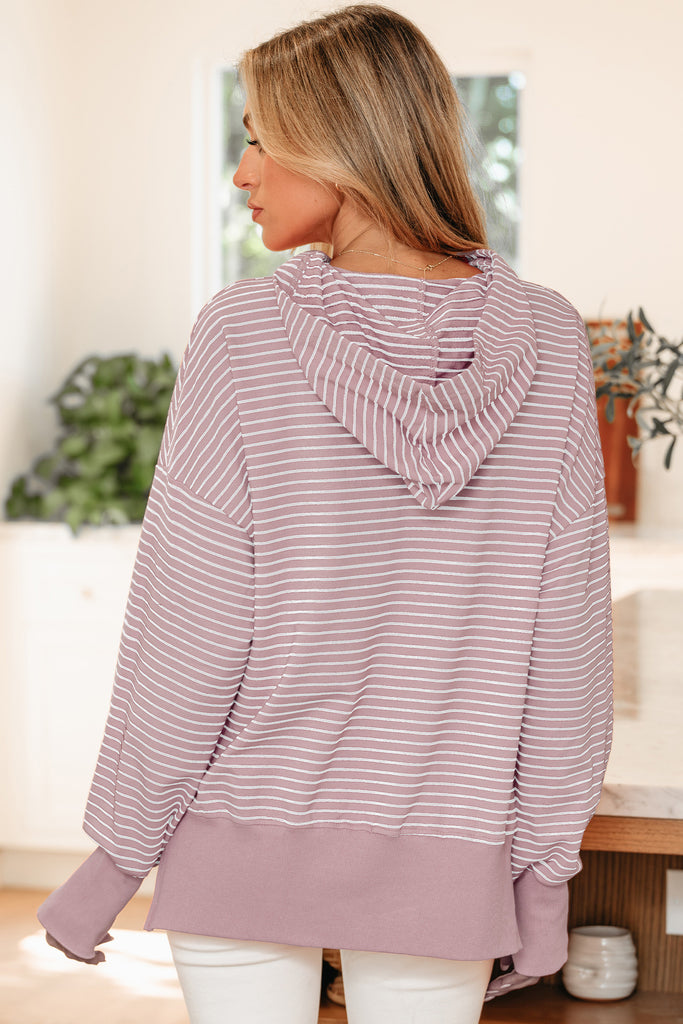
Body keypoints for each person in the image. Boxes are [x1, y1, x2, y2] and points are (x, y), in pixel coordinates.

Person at [37, 5, 613, 1023]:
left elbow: (190, 628)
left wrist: (118, 853)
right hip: (451, 846)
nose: (241, 172)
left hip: (242, 827)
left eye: (259, 138)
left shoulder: (243, 333)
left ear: (339, 143)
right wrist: (540, 874)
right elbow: (563, 644)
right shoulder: (550, 337)